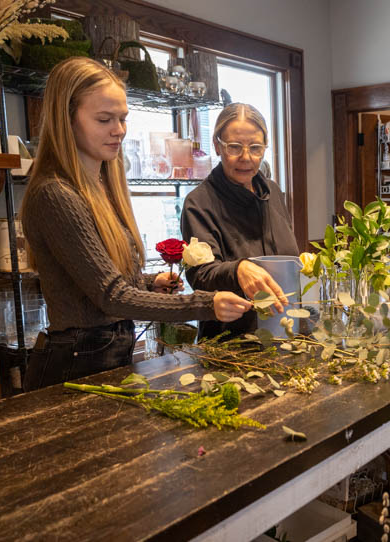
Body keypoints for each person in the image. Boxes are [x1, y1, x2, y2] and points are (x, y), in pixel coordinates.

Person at [20, 58, 252, 391]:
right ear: (66, 119)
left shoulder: (100, 185)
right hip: (73, 365)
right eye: (104, 119)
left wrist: (146, 283)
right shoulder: (55, 194)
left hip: (104, 356)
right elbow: (110, 297)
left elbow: (94, 283)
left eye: (123, 118)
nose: (119, 130)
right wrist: (205, 304)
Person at [181, 103, 299, 339]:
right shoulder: (199, 203)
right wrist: (238, 270)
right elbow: (200, 276)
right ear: (217, 146)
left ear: (265, 149)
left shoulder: (273, 193)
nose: (246, 157)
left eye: (255, 148)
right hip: (230, 344)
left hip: (285, 332)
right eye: (234, 147)